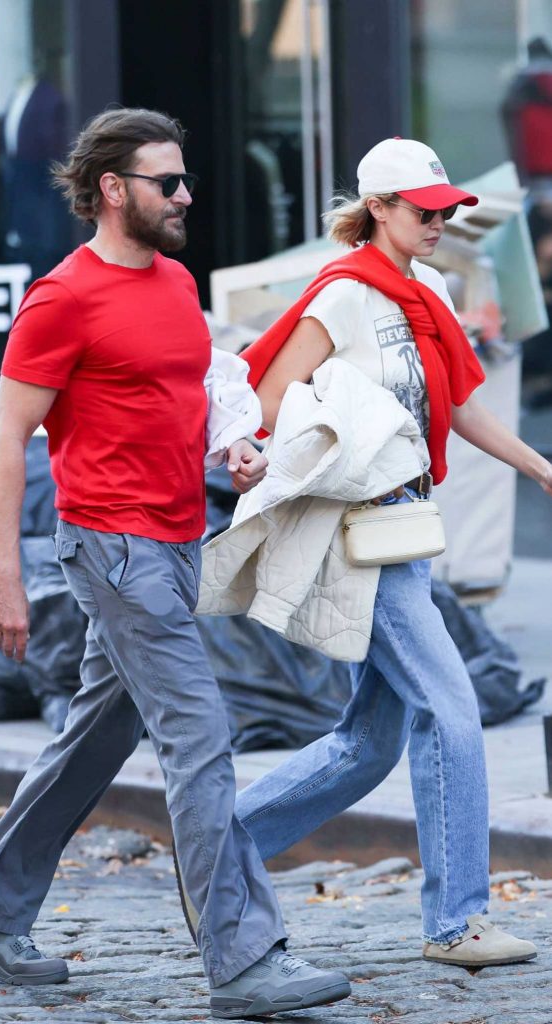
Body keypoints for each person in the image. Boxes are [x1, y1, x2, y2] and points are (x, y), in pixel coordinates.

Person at [0, 107, 351, 1019]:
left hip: (174, 543)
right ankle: (244, 961)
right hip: (112, 549)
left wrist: (229, 451)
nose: (186, 196)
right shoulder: (62, 298)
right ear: (114, 189)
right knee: (202, 741)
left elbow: (180, 399)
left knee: (97, 735)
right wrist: (3, 577)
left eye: (184, 179)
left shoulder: (171, 283)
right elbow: (8, 437)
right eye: (168, 182)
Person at [210, 138, 552, 968]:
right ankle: (456, 923)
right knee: (453, 708)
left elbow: (461, 404)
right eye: (424, 209)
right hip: (365, 531)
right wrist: (266, 448)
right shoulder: (343, 296)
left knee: (368, 745)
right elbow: (266, 393)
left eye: (447, 209)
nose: (440, 221)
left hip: (409, 527)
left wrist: (541, 467)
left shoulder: (428, 290)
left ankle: (215, 856)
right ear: (380, 210)